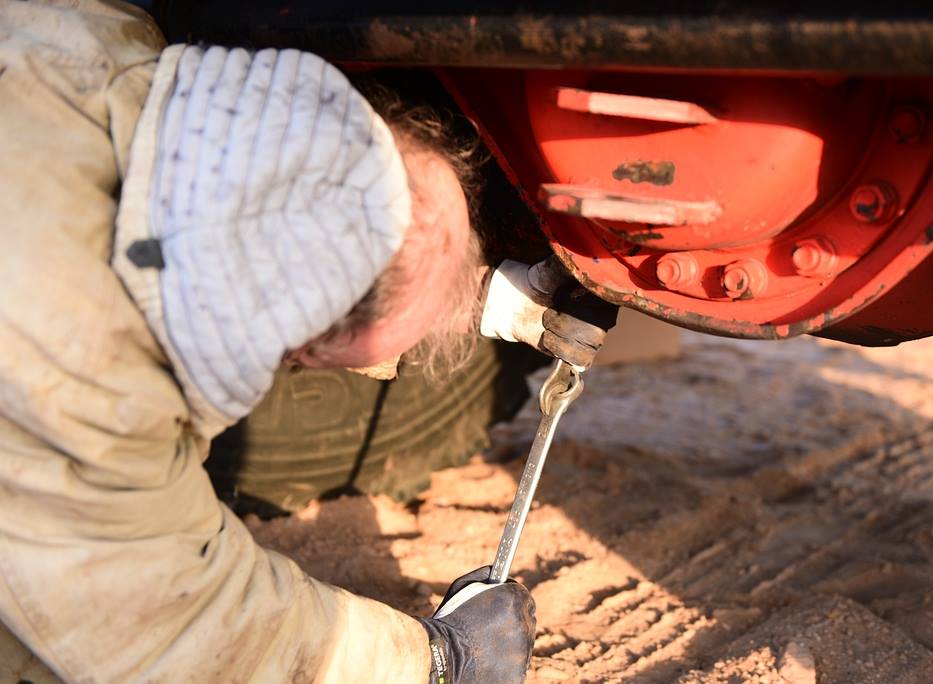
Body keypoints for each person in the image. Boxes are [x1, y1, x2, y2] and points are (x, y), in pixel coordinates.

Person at [0, 1, 615, 683]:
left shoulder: (83, 39)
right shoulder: (76, 387)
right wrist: (438, 660)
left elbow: (298, 218)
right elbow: (172, 628)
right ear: (299, 351)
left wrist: (482, 298)